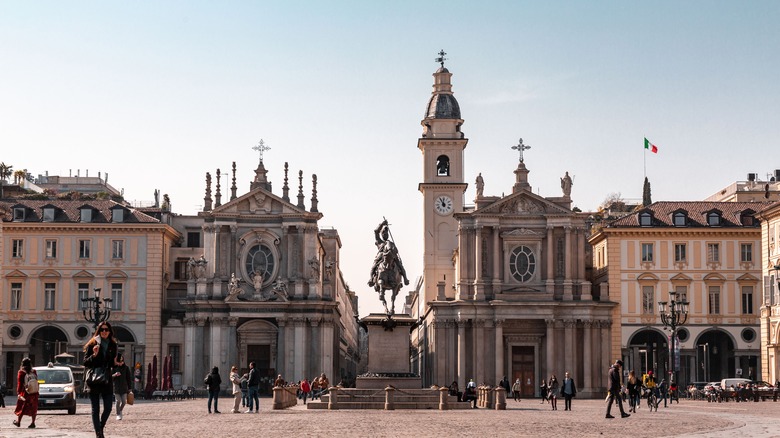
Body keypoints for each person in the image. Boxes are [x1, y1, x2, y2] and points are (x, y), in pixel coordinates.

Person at [84, 322, 119, 438]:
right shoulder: (92, 344)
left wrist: (116, 364)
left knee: (108, 407)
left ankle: (100, 426)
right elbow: (85, 363)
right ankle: (98, 433)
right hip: (94, 379)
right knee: (95, 408)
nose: (104, 332)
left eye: (106, 330)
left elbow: (112, 363)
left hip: (106, 379)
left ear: (109, 332)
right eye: (102, 330)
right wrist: (94, 355)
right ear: (98, 331)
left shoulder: (113, 345)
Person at [368, 220, 410, 290]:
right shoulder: (379, 242)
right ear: (381, 235)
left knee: (400, 265)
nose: (385, 235)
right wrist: (382, 224)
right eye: (384, 234)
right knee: (374, 266)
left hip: (392, 255)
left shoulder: (391, 243)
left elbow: (396, 250)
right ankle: (371, 279)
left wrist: (393, 251)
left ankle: (405, 279)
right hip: (381, 256)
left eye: (386, 234)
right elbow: (376, 231)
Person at [13, 357, 38, 428]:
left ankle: (18, 422)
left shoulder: (21, 372)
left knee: (22, 407)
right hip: (34, 392)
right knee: (34, 407)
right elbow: (36, 381)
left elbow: (20, 383)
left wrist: (19, 393)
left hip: (25, 393)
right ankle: (33, 422)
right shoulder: (34, 371)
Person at [111, 353, 132, 421]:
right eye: (119, 362)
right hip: (116, 387)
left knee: (124, 402)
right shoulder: (114, 368)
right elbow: (110, 377)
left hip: (124, 388)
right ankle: (118, 414)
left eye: (121, 362)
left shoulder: (126, 368)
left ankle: (120, 411)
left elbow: (128, 379)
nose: (120, 363)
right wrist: (115, 375)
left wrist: (130, 388)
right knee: (117, 401)